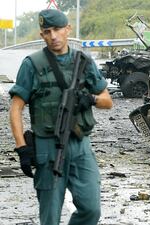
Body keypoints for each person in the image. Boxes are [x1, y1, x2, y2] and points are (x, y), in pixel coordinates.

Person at [9, 9, 113, 225]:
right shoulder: (32, 65)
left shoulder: (83, 61)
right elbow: (15, 108)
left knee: (91, 209)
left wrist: (90, 100)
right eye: (47, 31)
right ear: (42, 35)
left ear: (68, 29)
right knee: (50, 216)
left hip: (80, 146)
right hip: (48, 147)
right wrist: (21, 148)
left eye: (57, 29)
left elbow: (107, 100)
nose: (53, 36)